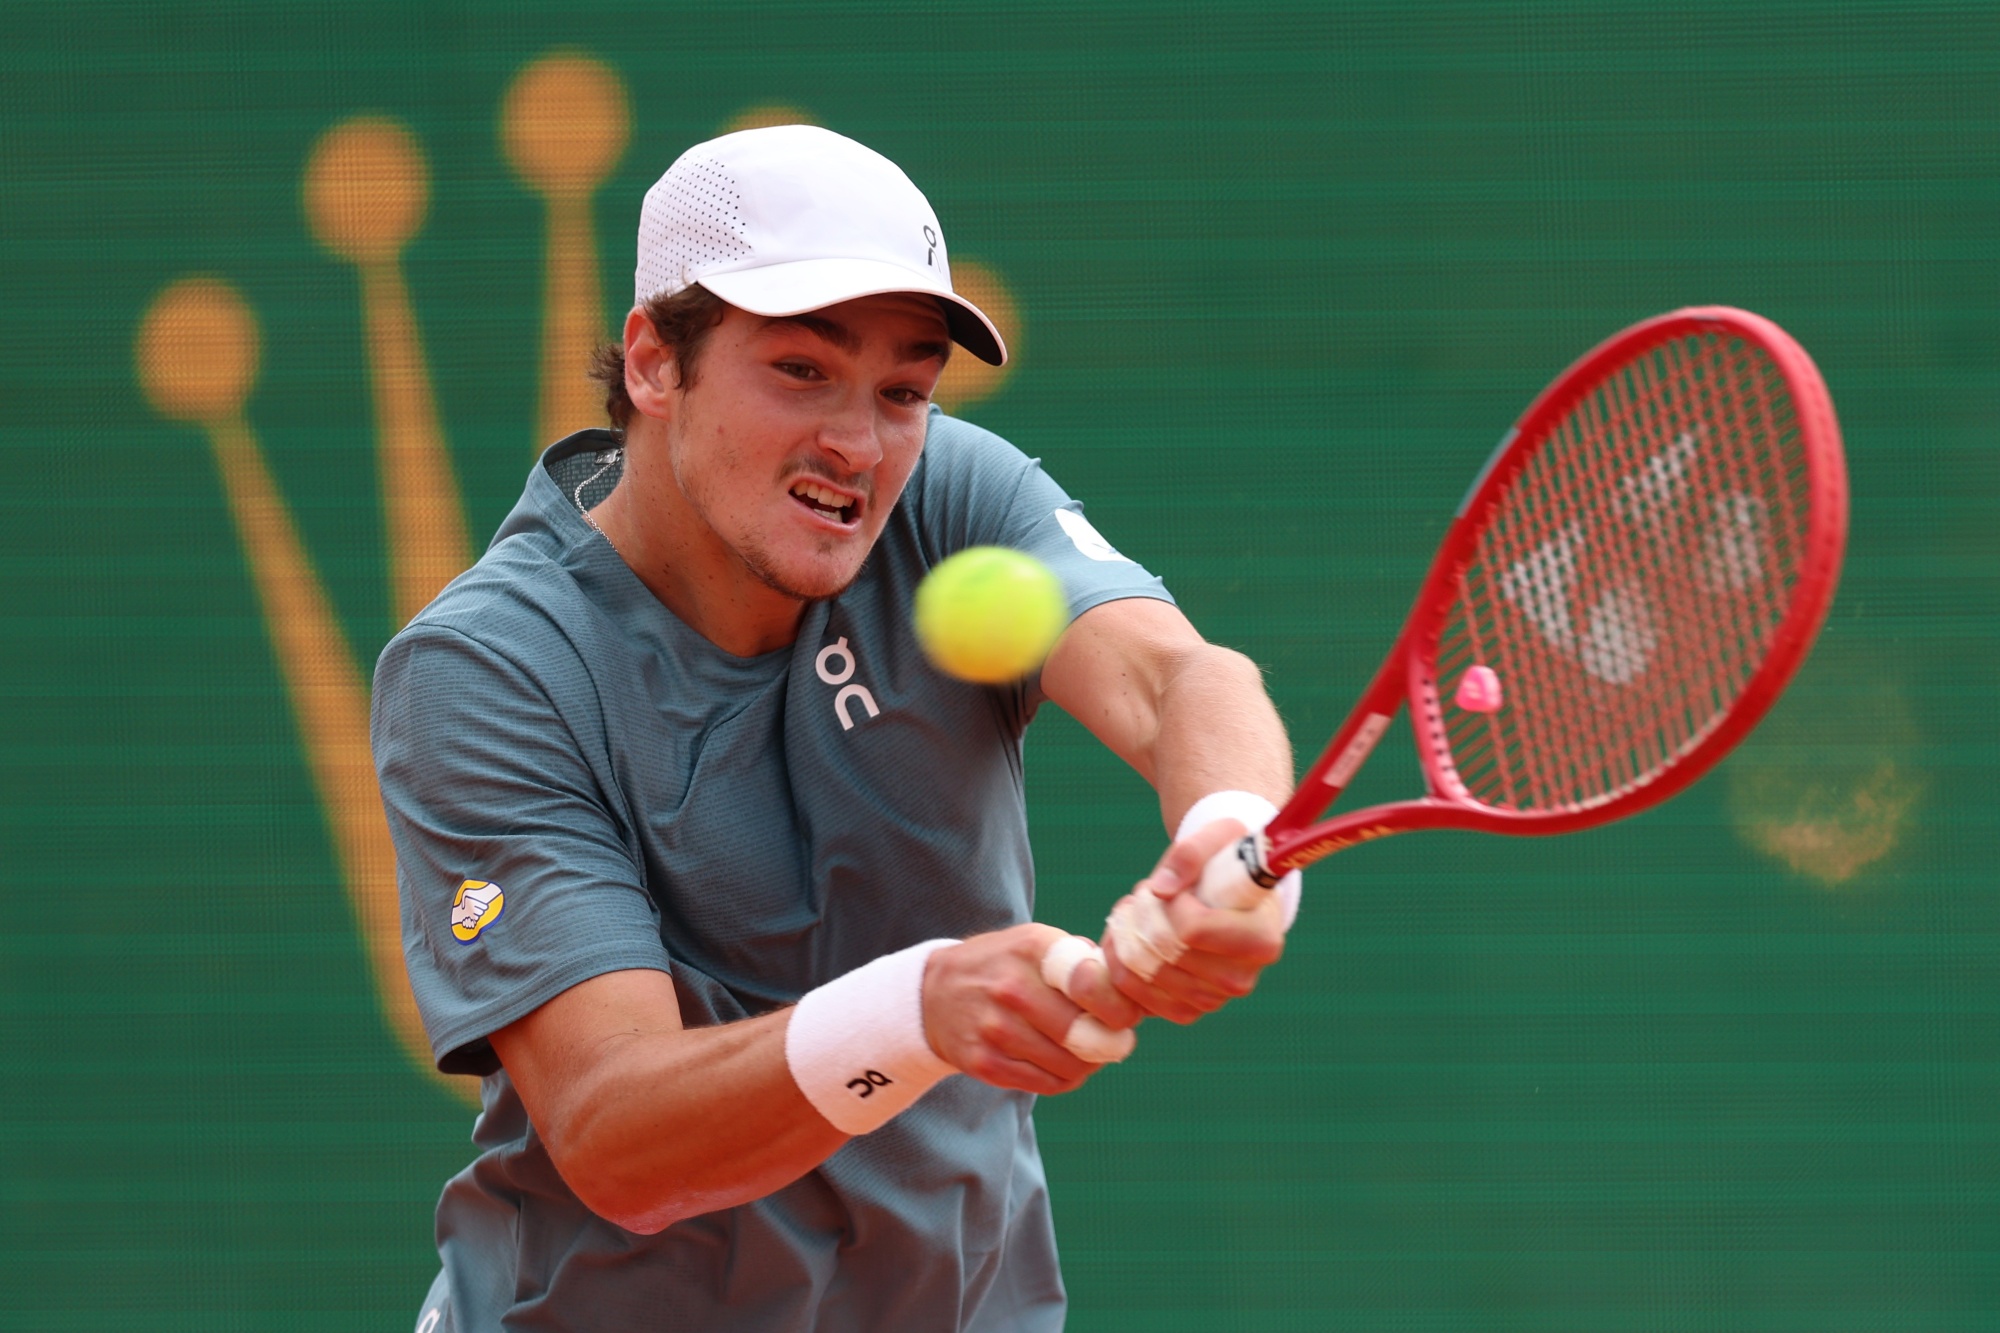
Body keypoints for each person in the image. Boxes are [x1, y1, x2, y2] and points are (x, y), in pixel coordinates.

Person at [371, 124, 1300, 1333]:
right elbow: (616, 1135)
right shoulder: (491, 669)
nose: (858, 445)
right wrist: (917, 1009)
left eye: (904, 389)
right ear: (652, 362)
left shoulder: (950, 495)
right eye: (800, 369)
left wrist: (1235, 837)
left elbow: (1177, 679)